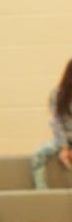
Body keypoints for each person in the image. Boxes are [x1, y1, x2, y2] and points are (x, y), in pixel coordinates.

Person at [26, 59, 72, 189]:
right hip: (62, 139)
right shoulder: (58, 94)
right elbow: (57, 122)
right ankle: (42, 191)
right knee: (38, 155)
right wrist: (64, 147)